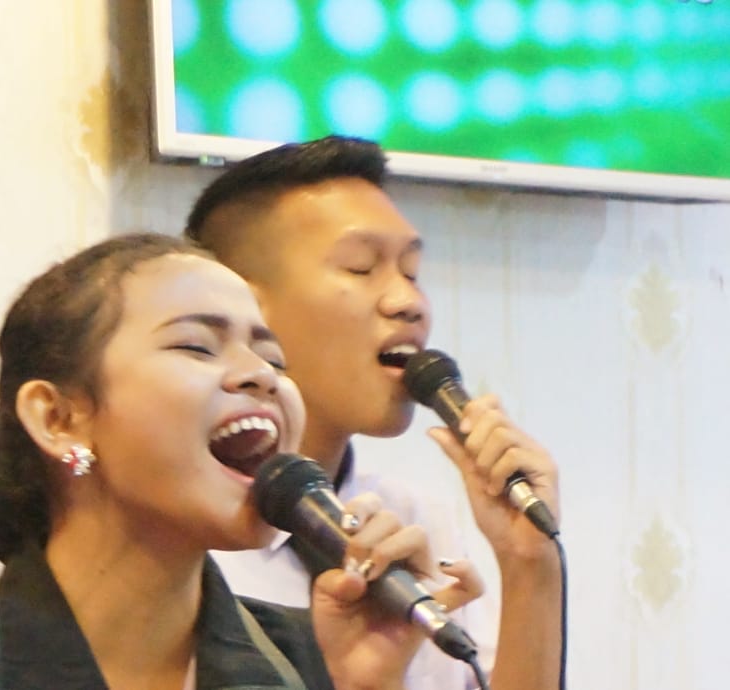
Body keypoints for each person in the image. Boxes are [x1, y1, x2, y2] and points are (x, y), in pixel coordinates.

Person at [0, 233, 481, 690]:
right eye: (197, 347)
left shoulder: (310, 658)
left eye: (272, 359)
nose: (261, 376)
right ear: (58, 418)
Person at [187, 136, 563, 690]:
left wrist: (530, 563)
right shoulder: (184, 537)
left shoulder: (415, 523)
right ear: (240, 305)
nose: (408, 303)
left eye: (411, 273)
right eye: (361, 268)